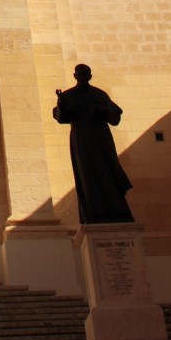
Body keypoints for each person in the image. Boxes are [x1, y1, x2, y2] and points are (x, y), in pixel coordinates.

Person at [53, 63, 133, 224]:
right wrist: (61, 104)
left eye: (86, 74)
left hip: (101, 139)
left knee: (109, 170)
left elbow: (115, 117)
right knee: (86, 174)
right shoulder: (68, 96)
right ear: (75, 76)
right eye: (80, 74)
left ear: (90, 76)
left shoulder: (98, 95)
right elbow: (61, 118)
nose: (83, 77)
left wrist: (100, 109)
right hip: (81, 140)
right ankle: (92, 212)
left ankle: (118, 210)